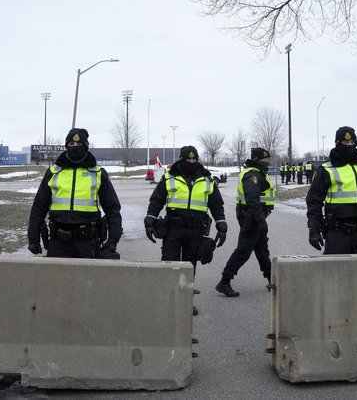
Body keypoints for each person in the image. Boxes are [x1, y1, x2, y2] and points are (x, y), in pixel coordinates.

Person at [144, 145, 227, 315]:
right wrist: (150, 219)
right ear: (181, 159)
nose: (191, 162)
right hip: (173, 228)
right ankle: (169, 302)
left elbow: (216, 205)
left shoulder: (207, 179)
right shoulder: (169, 177)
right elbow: (157, 200)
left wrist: (221, 224)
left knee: (190, 267)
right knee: (170, 264)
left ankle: (185, 303)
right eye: (188, 159)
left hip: (195, 230)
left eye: (194, 159)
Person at [27, 128, 122, 258]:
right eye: (71, 144)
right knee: (55, 278)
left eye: (79, 144)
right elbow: (39, 207)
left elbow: (113, 209)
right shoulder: (53, 172)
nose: (75, 147)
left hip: (88, 243)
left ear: (86, 146)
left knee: (88, 279)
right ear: (66, 146)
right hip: (58, 242)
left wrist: (113, 240)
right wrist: (33, 238)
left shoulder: (98, 173)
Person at [306, 126, 357, 254]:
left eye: (352, 142)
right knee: (335, 272)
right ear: (337, 143)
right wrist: (314, 228)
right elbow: (314, 201)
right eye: (345, 142)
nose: (349, 145)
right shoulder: (326, 169)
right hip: (338, 233)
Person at [216, 147, 275, 297]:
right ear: (255, 160)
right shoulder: (252, 175)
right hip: (253, 217)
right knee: (243, 250)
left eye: (267, 160)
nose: (266, 163)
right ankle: (224, 281)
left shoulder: (258, 173)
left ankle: (272, 279)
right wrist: (260, 220)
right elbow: (252, 199)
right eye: (263, 160)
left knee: (262, 249)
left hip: (256, 216)